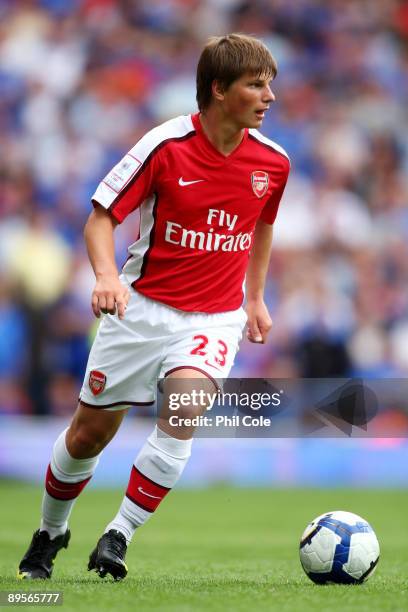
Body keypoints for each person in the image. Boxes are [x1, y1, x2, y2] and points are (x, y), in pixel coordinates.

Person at [18, 33, 290, 581]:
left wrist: (254, 297)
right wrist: (103, 277)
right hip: (141, 310)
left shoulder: (274, 163)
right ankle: (51, 532)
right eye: (255, 85)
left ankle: (117, 535)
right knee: (88, 434)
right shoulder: (164, 147)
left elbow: (261, 226)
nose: (269, 96)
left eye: (270, 85)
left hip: (213, 317)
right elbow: (101, 217)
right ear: (218, 90)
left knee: (185, 408)